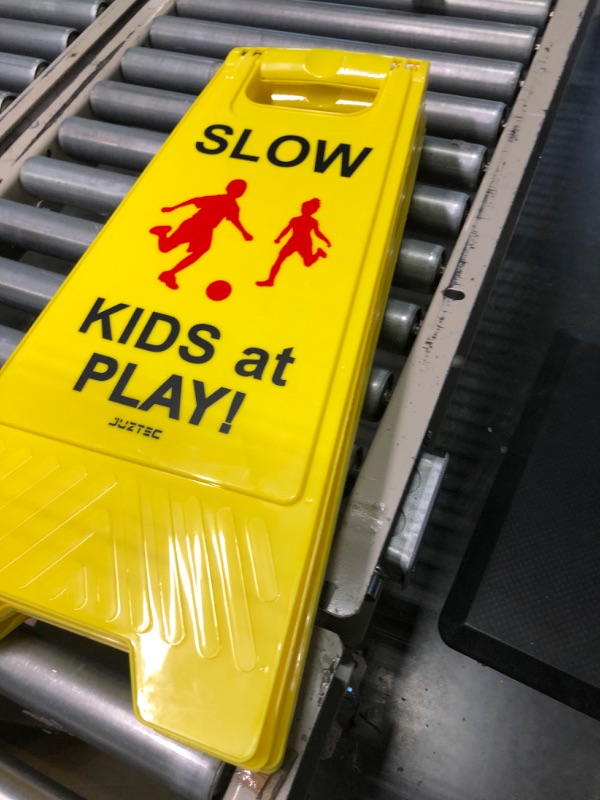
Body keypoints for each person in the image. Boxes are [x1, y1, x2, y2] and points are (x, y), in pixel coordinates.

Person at [150, 178, 253, 290]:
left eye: (242, 189)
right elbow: (194, 200)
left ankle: (170, 273)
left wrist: (244, 233)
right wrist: (173, 208)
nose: (240, 192)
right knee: (165, 248)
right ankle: (162, 233)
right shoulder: (217, 199)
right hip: (194, 224)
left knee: (200, 251)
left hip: (206, 229)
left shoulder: (233, 206)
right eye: (238, 189)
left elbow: (234, 220)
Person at [256, 198, 331, 287]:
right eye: (303, 208)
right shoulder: (295, 220)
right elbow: (287, 229)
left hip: (305, 243)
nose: (303, 210)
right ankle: (270, 280)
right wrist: (279, 238)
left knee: (308, 263)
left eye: (307, 209)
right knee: (279, 260)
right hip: (293, 242)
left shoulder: (313, 222)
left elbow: (318, 233)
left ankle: (318, 253)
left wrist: (326, 240)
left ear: (313, 210)